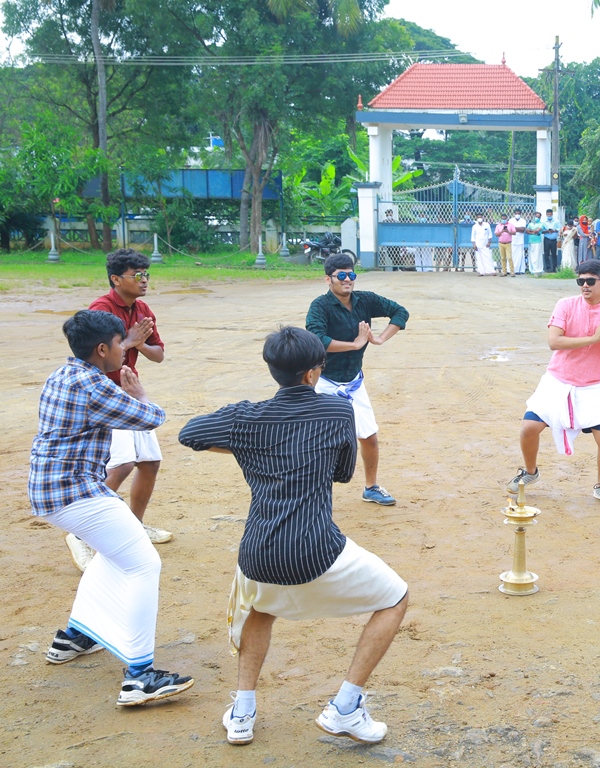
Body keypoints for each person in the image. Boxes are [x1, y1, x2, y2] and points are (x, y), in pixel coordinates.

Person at [178, 327, 409, 746]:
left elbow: (190, 434)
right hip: (317, 548)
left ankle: (243, 712)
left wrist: (251, 446)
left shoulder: (245, 417)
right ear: (311, 374)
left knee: (261, 609)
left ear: (273, 371)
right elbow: (342, 475)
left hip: (258, 551)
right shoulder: (338, 412)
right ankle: (345, 707)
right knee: (396, 597)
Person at [31, 309, 194, 706]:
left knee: (114, 554)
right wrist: (140, 395)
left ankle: (74, 637)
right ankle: (139, 677)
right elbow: (151, 417)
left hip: (55, 488)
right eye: (121, 343)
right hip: (75, 492)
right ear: (102, 349)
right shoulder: (93, 385)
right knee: (143, 564)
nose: (126, 349)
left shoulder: (64, 373)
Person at [506, 259, 600, 506]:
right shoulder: (566, 305)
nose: (585, 286)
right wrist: (591, 339)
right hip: (557, 381)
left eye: (590, 281)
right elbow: (554, 342)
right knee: (528, 429)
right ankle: (530, 471)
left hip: (593, 385)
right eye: (580, 281)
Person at [73, 249, 170, 573]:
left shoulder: (141, 309)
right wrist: (128, 341)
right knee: (122, 463)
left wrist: (139, 344)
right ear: (116, 279)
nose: (144, 280)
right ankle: (80, 533)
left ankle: (134, 525)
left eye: (146, 274)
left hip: (130, 393)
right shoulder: (101, 310)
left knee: (149, 462)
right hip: (104, 395)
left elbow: (158, 355)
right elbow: (90, 356)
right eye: (136, 275)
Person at [305, 253, 409, 507]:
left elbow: (400, 312)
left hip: (353, 382)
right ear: (328, 279)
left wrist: (381, 338)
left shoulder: (365, 300)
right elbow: (317, 340)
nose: (347, 279)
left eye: (351, 274)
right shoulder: (320, 306)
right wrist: (354, 344)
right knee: (320, 442)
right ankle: (312, 493)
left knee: (369, 437)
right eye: (341, 275)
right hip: (325, 382)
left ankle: (371, 487)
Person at [509, 209, 528, 275]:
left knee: (520, 255)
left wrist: (514, 228)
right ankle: (511, 270)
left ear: (520, 214)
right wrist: (518, 229)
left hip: (520, 241)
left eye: (518, 213)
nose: (517, 214)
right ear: (514, 213)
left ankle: (519, 270)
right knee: (512, 255)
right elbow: (509, 230)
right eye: (516, 213)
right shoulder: (511, 220)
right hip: (512, 240)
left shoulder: (523, 221)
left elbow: (523, 230)